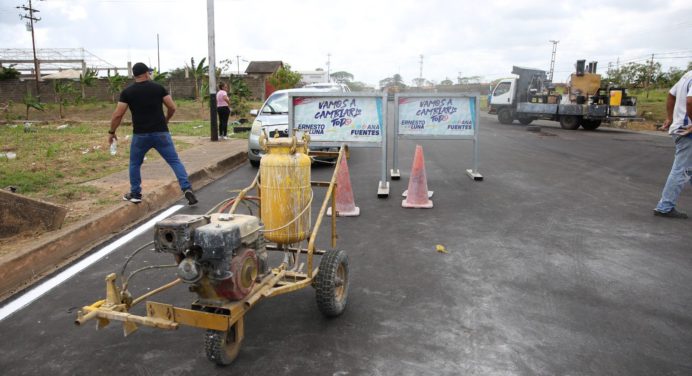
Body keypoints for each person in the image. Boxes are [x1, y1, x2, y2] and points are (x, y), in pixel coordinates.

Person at [108, 62, 198, 206]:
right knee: (174, 161)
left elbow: (118, 115)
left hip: (140, 135)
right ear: (145, 73)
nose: (150, 75)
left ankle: (135, 193)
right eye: (148, 73)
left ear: (134, 75)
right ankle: (187, 188)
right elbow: (172, 107)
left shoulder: (127, 92)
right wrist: (166, 120)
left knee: (134, 164)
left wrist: (112, 132)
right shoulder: (158, 88)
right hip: (161, 133)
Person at [653, 70, 692, 219]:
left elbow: (671, 94)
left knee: (689, 167)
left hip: (679, 127)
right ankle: (665, 206)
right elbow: (690, 101)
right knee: (681, 169)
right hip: (687, 131)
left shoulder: (687, 75)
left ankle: (666, 205)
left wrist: (670, 118)